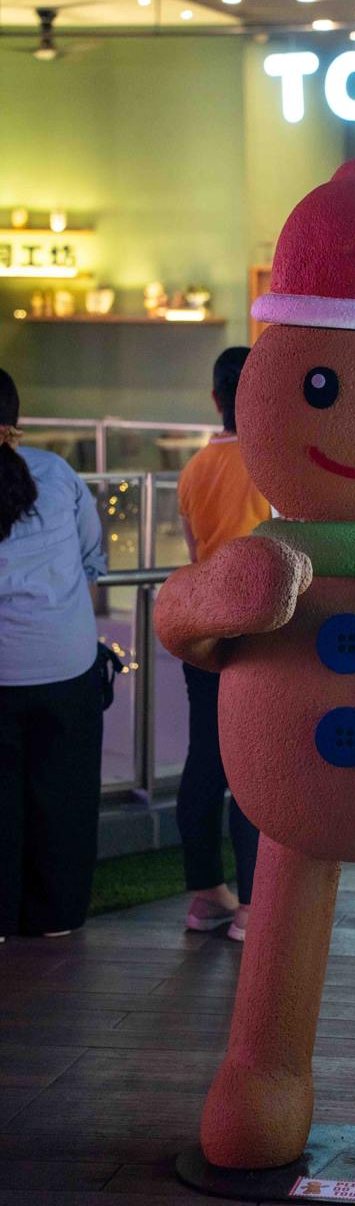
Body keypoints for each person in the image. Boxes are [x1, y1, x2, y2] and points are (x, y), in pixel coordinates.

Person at [0, 368, 107, 941]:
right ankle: (56, 916)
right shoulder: (56, 472)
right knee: (63, 792)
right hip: (65, 663)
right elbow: (93, 556)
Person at [176, 347, 268, 941]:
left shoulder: (194, 469)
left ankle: (205, 896)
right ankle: (253, 908)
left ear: (215, 399)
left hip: (204, 630)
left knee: (205, 762)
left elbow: (195, 555)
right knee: (254, 770)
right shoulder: (270, 465)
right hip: (258, 636)